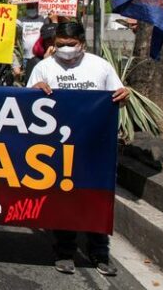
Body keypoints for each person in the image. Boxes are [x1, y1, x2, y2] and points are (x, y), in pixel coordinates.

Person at [27, 22, 129, 276]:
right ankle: (64, 251)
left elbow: (116, 96)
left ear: (82, 43)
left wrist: (123, 96)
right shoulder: (44, 67)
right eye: (60, 45)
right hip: (58, 148)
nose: (65, 50)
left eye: (70, 45)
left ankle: (99, 252)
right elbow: (25, 105)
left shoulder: (101, 67)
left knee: (95, 198)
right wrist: (33, 92)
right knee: (64, 198)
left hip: (94, 146)